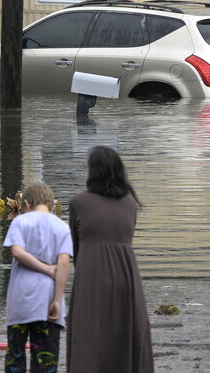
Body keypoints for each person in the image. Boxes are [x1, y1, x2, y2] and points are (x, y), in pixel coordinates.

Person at [66, 145, 154, 373]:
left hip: (91, 274)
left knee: (89, 335)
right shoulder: (130, 203)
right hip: (126, 275)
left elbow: (75, 247)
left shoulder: (78, 203)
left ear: (93, 171)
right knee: (124, 332)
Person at [3, 182, 73, 373]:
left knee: (15, 359)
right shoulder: (62, 227)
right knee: (46, 360)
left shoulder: (20, 222)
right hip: (48, 299)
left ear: (26, 204)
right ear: (52, 206)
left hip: (20, 301)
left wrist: (45, 269)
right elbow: (64, 264)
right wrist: (58, 300)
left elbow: (17, 252)